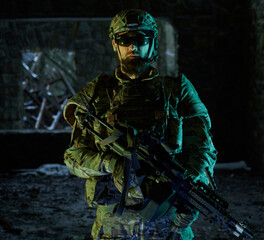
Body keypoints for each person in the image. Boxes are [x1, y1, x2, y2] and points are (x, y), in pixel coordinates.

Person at [63, 9, 217, 240]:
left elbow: (203, 150)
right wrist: (110, 163)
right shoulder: (95, 94)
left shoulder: (178, 90)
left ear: (152, 43)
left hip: (168, 223)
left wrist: (191, 196)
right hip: (114, 226)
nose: (132, 47)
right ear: (115, 45)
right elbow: (73, 158)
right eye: (125, 40)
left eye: (140, 40)